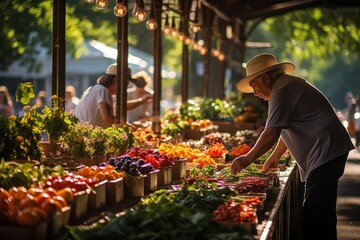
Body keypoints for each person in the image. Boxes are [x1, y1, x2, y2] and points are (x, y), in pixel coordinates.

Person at [231, 53, 354, 240]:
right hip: (328, 152)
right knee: (321, 214)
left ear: (266, 77)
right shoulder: (285, 86)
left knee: (315, 217)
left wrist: (247, 159)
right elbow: (283, 130)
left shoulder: (281, 90)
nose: (255, 93)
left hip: (326, 152)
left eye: (254, 85)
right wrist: (274, 157)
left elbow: (272, 133)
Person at [74, 63, 152, 128]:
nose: (125, 88)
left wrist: (142, 101)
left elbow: (120, 106)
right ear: (115, 81)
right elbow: (107, 117)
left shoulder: (96, 89)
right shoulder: (103, 90)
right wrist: (127, 127)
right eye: (125, 84)